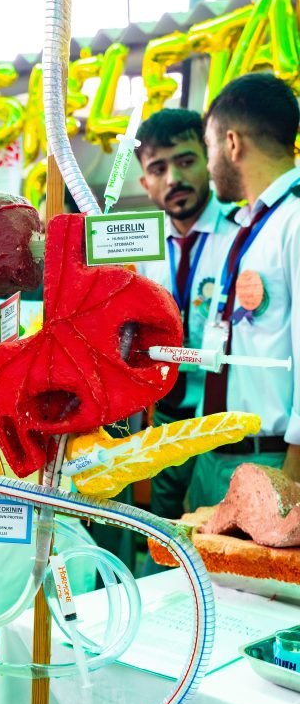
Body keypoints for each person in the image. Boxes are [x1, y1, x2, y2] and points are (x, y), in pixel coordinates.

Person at [188, 72, 300, 508]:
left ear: (232, 143)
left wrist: (292, 474)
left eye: (209, 147)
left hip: (272, 460)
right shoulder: (251, 225)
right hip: (215, 454)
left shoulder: (294, 220)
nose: (209, 163)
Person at [135, 108, 237, 519]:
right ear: (145, 183)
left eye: (186, 160)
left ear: (209, 159)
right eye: (158, 169)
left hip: (223, 423)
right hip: (166, 418)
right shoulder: (139, 246)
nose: (174, 178)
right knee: (162, 529)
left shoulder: (241, 233)